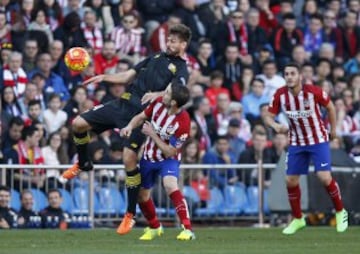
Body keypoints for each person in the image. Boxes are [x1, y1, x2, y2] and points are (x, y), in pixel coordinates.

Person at [60, 24, 192, 235]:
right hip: (122, 103)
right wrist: (104, 77)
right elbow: (128, 75)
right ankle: (84, 163)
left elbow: (177, 93)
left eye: (174, 41)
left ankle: (129, 215)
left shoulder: (182, 69)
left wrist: (157, 95)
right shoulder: (154, 58)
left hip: (140, 115)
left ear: (183, 44)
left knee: (129, 158)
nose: (169, 43)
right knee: (78, 124)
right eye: (168, 39)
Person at [264, 62, 348, 235]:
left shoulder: (313, 92)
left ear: (300, 76)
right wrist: (275, 125)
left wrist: (333, 130)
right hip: (297, 142)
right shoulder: (280, 95)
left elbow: (330, 107)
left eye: (293, 73)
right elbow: (268, 115)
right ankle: (298, 218)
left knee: (324, 177)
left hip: (318, 140)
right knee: (290, 181)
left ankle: (341, 211)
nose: (289, 77)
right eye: (286, 74)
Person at [120, 82, 195, 240]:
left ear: (174, 102)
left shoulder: (183, 122)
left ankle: (187, 229)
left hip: (168, 159)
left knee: (170, 185)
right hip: (148, 157)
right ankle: (155, 227)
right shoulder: (158, 103)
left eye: (167, 92)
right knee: (142, 196)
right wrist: (129, 126)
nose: (163, 94)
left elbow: (170, 151)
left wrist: (153, 134)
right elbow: (141, 117)